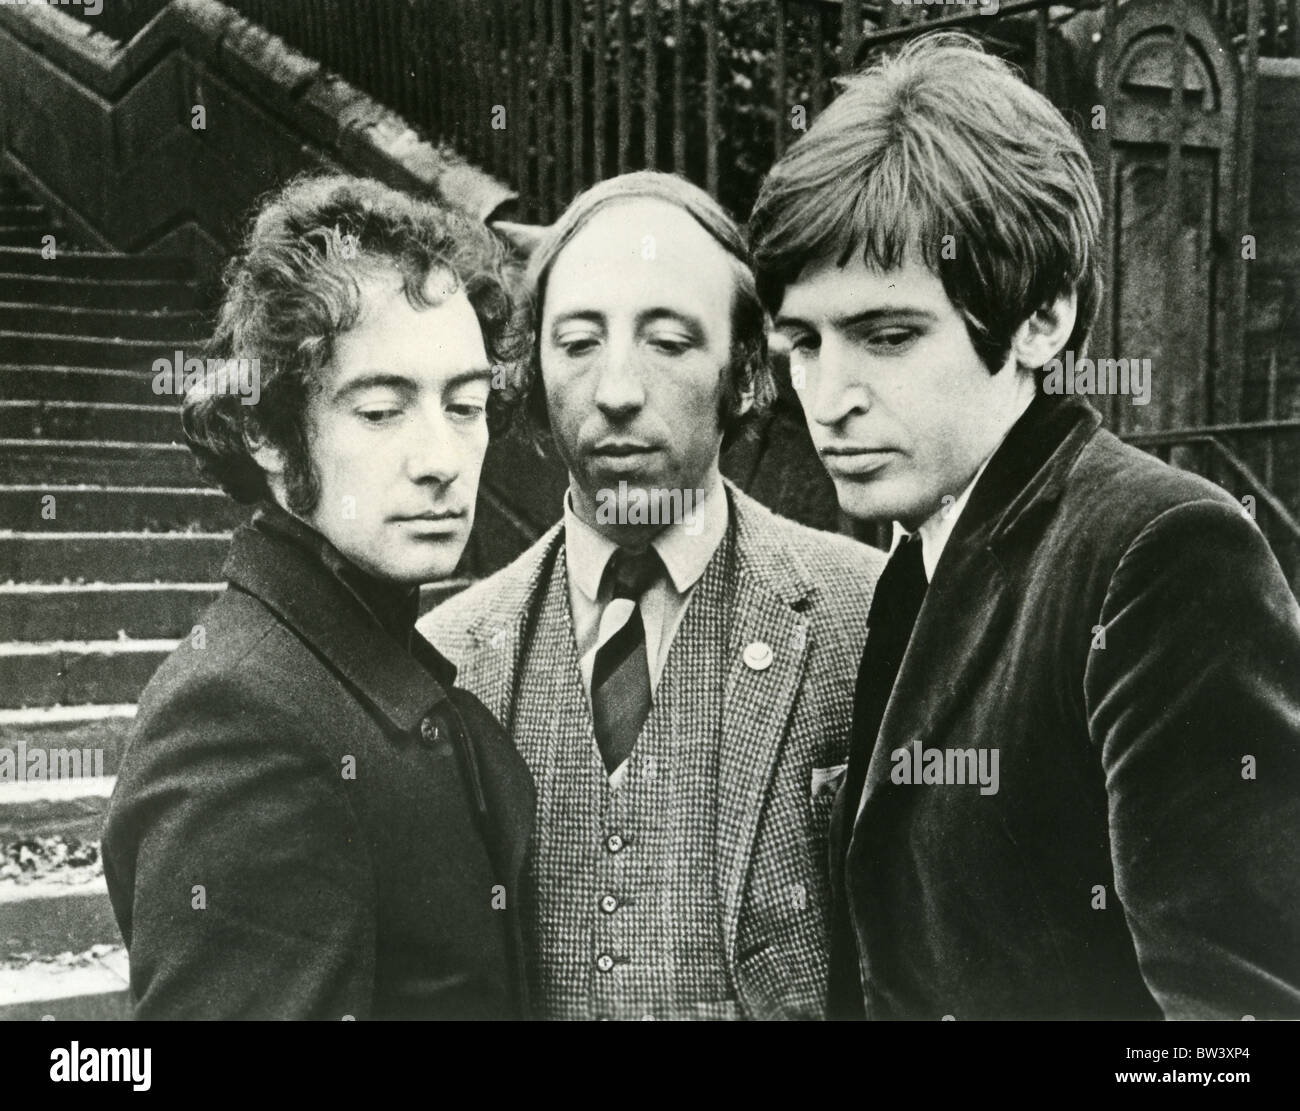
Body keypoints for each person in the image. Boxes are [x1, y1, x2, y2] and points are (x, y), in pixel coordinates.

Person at [749, 32, 1300, 1020]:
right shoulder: (920, 553)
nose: (829, 396)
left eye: (886, 335)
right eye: (803, 341)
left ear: (1042, 319)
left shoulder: (1162, 554)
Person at [421, 171, 885, 1020]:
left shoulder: (868, 613)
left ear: (744, 373)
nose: (617, 390)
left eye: (668, 342)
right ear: (532, 371)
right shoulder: (446, 652)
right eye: (577, 343)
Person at [102, 174, 535, 1020]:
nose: (441, 456)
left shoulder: (366, 657)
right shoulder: (238, 718)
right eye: (381, 410)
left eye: (467, 404)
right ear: (265, 431)